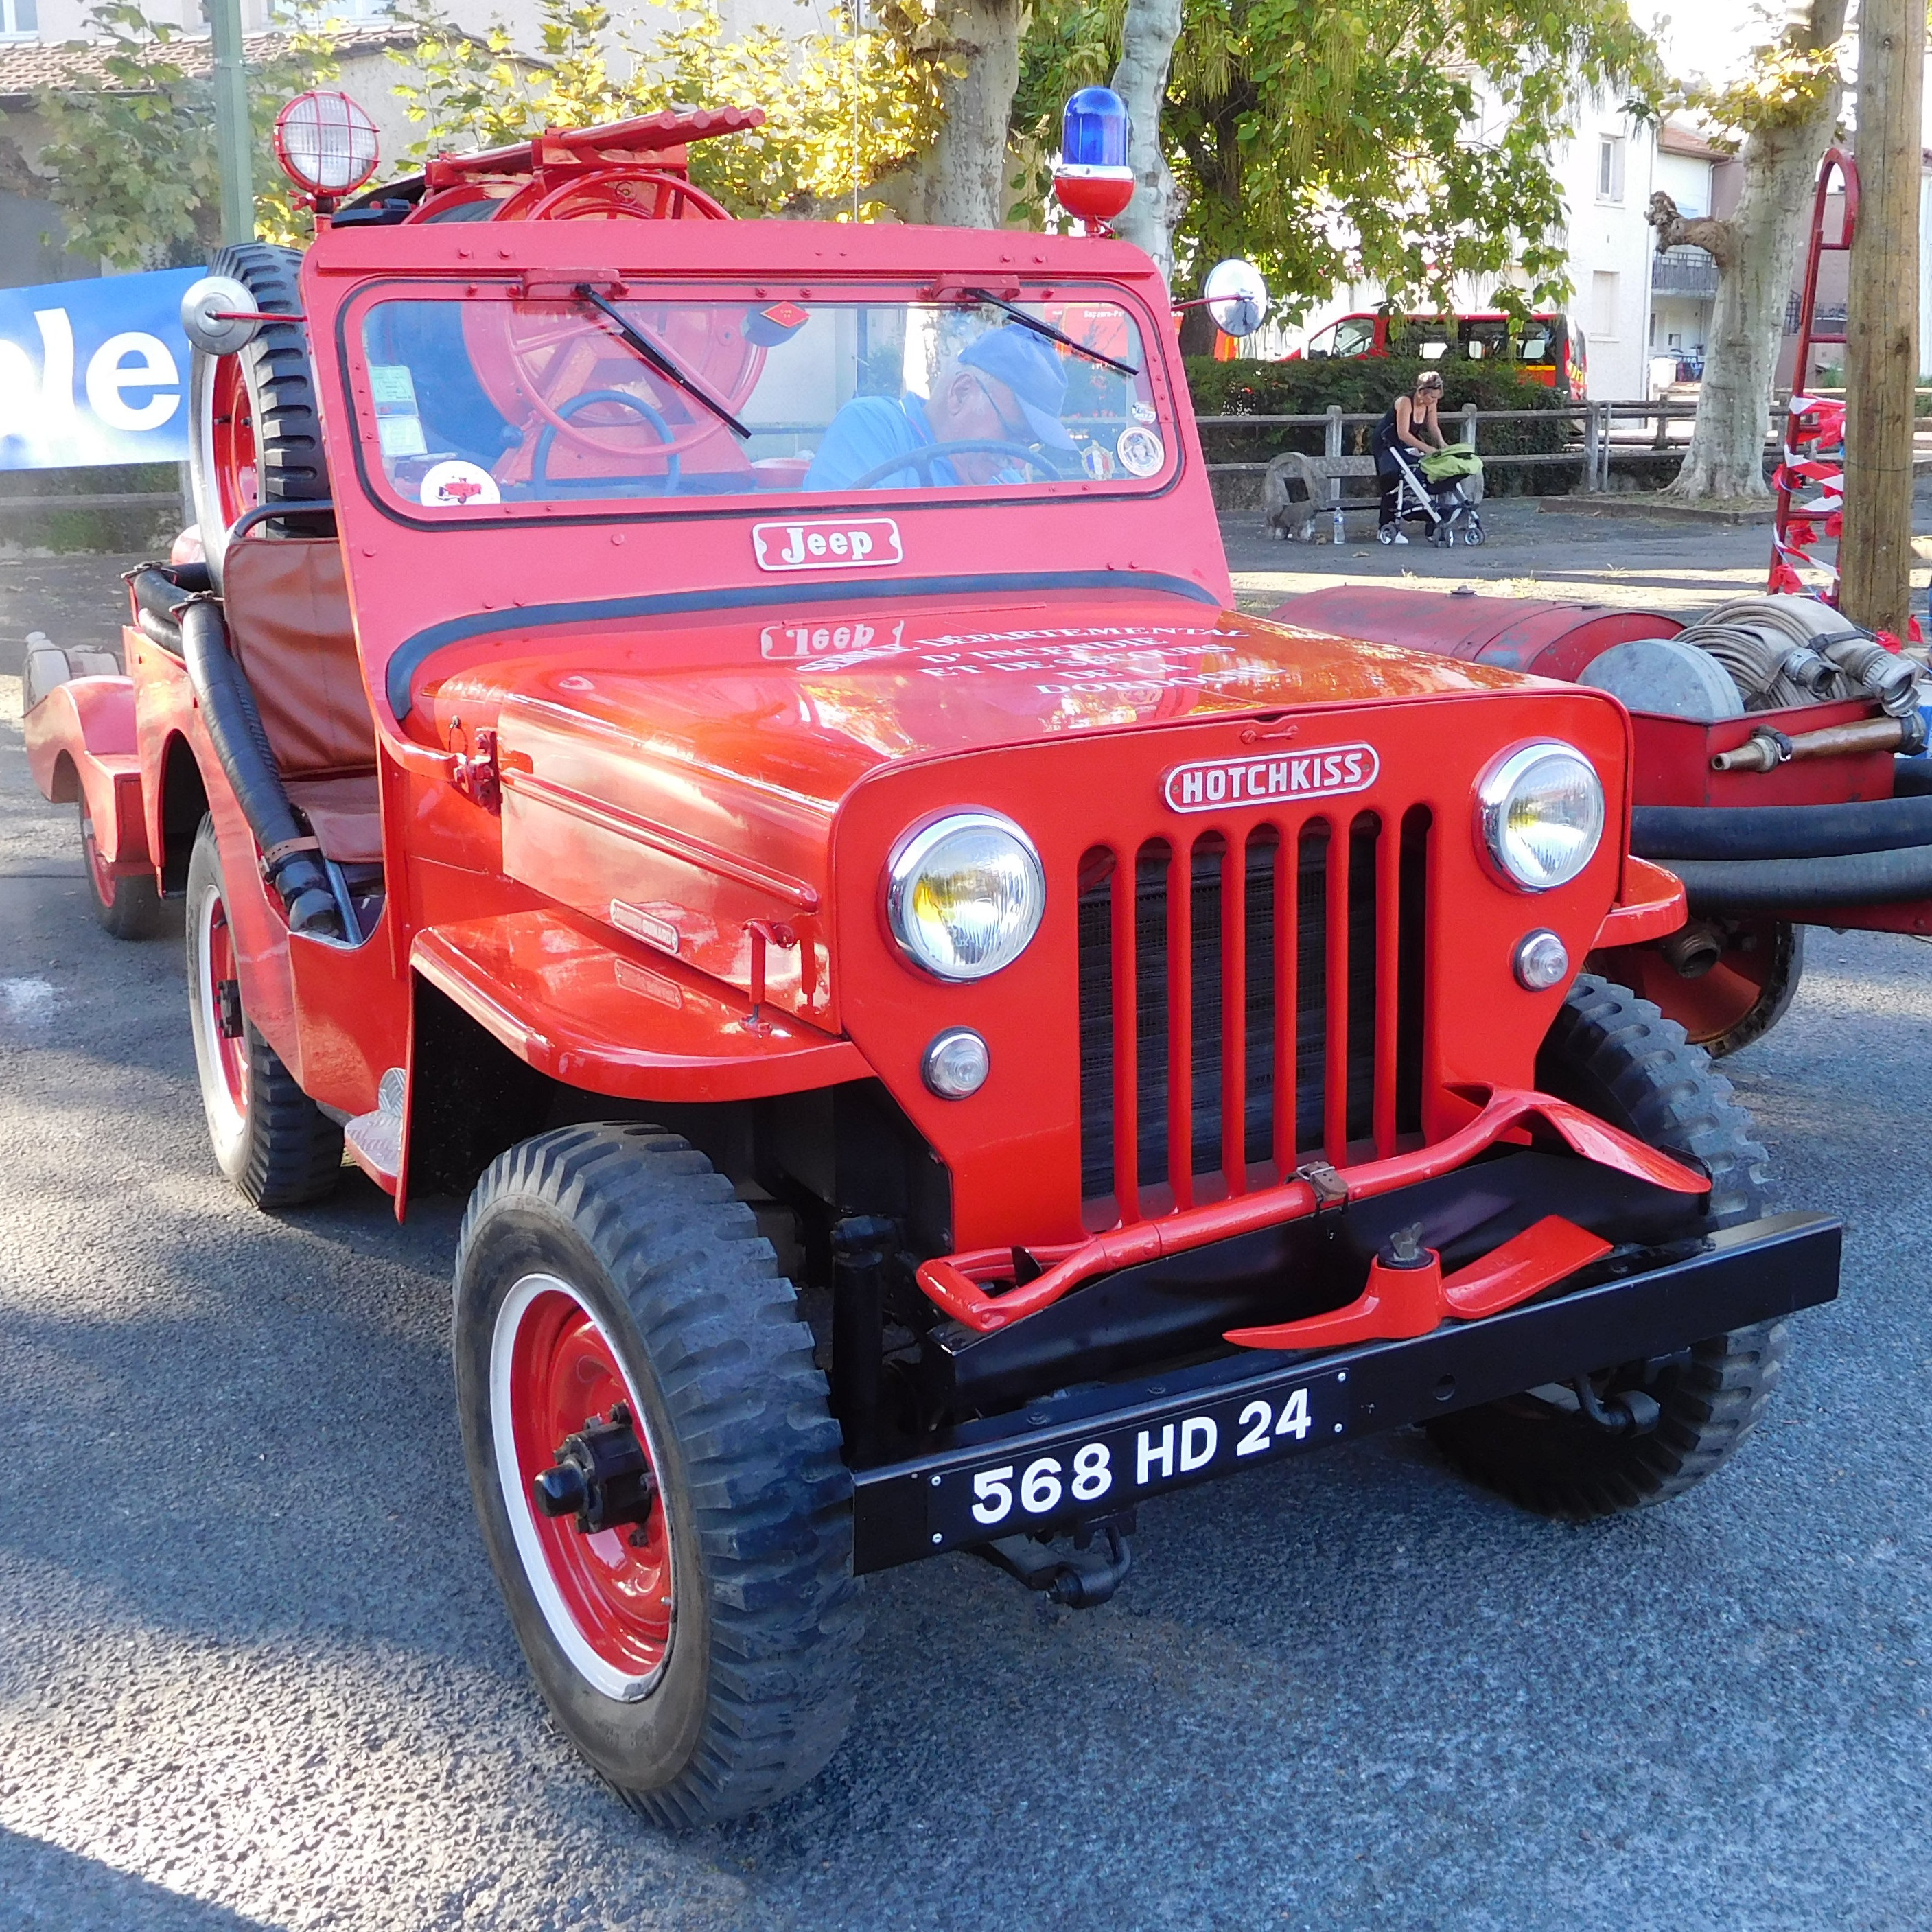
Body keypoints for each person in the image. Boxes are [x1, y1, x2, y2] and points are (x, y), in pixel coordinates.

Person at [806, 325, 1078, 491]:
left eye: (1028, 445)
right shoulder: (874, 427)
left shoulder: (1007, 483)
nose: (1018, 462)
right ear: (960, 393)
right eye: (1012, 434)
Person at [1371, 369, 1447, 543]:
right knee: (1391, 480)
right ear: (1421, 393)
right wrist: (1427, 448)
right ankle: (1386, 525)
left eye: (1436, 398)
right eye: (1432, 397)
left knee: (1416, 475)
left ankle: (1428, 515)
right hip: (1387, 441)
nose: (1434, 402)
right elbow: (1403, 434)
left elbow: (1433, 427)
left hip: (1407, 441)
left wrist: (1442, 444)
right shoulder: (1405, 402)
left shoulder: (1431, 403)